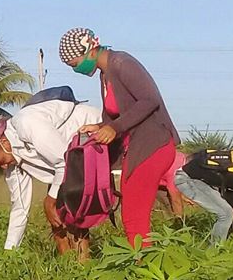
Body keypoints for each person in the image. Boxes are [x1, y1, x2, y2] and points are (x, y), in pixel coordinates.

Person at [58, 28, 181, 247]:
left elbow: (149, 100)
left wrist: (115, 127)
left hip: (153, 145)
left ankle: (144, 269)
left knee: (134, 215)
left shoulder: (122, 64)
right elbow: (118, 113)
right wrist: (100, 127)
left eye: (74, 64)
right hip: (137, 148)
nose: (76, 69)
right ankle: (143, 264)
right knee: (133, 214)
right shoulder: (106, 74)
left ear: (90, 50)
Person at [0, 86, 102, 258]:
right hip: (71, 161)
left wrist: (50, 201)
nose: (4, 167)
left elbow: (64, 160)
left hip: (94, 137)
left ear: (5, 144)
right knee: (56, 216)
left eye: (1, 162)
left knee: (70, 208)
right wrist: (9, 255)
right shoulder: (12, 160)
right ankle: (68, 264)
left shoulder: (27, 124)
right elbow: (20, 209)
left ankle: (83, 263)